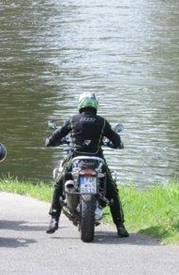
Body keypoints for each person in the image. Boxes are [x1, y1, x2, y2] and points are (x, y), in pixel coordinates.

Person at [44, 92, 128, 238]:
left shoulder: (72, 120)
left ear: (81, 104)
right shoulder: (102, 122)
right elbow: (115, 139)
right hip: (97, 161)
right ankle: (120, 226)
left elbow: (58, 134)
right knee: (112, 190)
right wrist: (118, 144)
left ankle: (54, 219)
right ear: (95, 105)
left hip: (76, 160)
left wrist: (49, 141)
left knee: (58, 184)